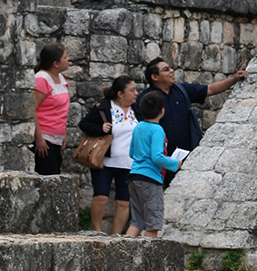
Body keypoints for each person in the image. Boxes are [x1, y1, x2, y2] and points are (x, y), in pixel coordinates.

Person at [136, 59, 247, 168]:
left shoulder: (182, 90)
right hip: (159, 159)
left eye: (170, 68)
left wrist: (233, 79)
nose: (171, 71)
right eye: (166, 69)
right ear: (155, 77)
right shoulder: (146, 100)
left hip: (185, 156)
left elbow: (210, 89)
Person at [79, 75, 139, 234]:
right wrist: (100, 128)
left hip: (128, 163)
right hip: (104, 162)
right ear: (120, 94)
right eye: (132, 90)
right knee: (101, 196)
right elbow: (84, 124)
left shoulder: (137, 109)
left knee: (124, 202)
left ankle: (116, 236)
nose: (136, 93)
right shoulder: (104, 107)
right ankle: (97, 231)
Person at [125, 90, 181, 238]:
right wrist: (175, 163)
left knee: (137, 221)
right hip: (150, 179)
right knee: (152, 224)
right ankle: (146, 259)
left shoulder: (138, 127)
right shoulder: (157, 130)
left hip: (134, 176)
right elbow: (157, 157)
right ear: (162, 111)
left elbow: (132, 153)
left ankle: (123, 256)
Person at [33, 43, 70, 175]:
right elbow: (32, 110)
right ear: (55, 63)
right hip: (45, 138)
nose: (68, 59)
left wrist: (63, 133)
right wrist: (39, 139)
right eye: (65, 57)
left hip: (57, 138)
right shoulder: (41, 79)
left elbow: (61, 109)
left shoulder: (60, 78)